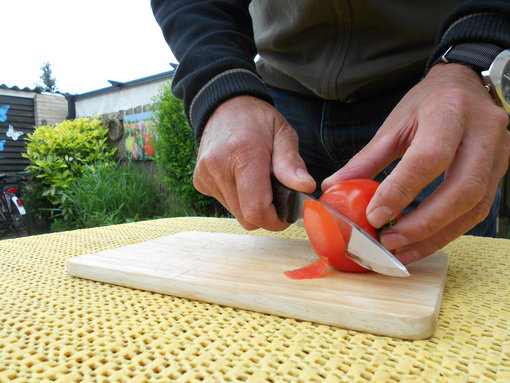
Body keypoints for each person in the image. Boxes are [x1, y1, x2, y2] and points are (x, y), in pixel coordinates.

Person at [151, 0, 510, 265]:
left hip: (434, 98)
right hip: (278, 104)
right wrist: (218, 86)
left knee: (457, 287)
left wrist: (477, 52)